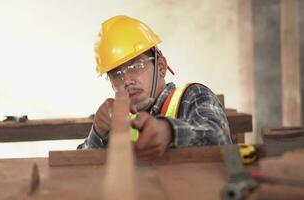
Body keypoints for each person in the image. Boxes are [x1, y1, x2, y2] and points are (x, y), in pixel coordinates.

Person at [78, 15, 232, 159]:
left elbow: (218, 135)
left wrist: (171, 132)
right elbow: (79, 170)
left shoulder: (193, 96)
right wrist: (98, 132)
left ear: (161, 67)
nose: (126, 80)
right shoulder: (118, 121)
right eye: (116, 74)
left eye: (136, 66)